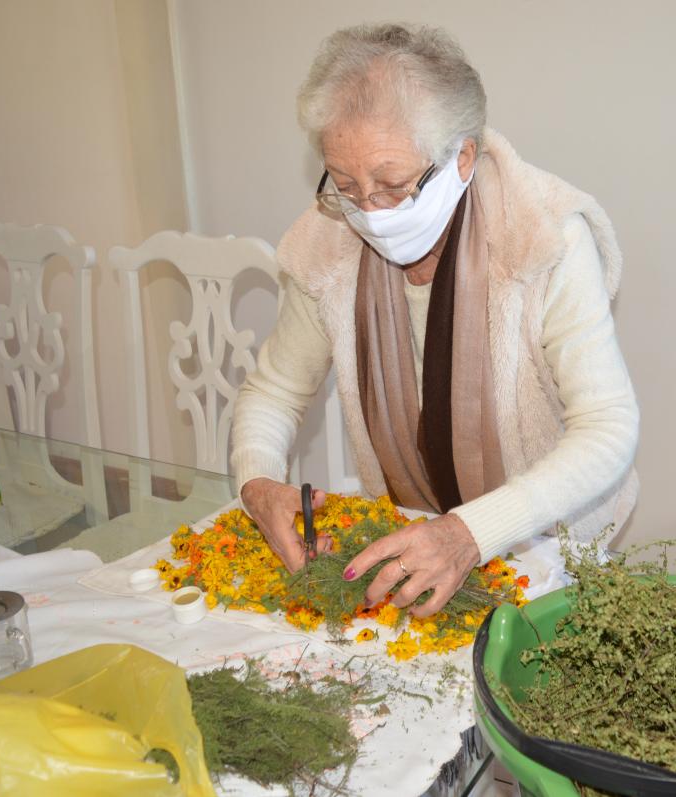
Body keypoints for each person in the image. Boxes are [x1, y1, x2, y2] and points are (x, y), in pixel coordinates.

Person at [231, 22, 639, 616]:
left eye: (393, 186)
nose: (368, 212)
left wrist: (467, 534)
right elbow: (273, 391)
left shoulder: (542, 237)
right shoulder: (326, 245)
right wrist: (258, 481)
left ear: (463, 157)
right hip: (412, 540)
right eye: (345, 185)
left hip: (548, 542)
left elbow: (607, 428)